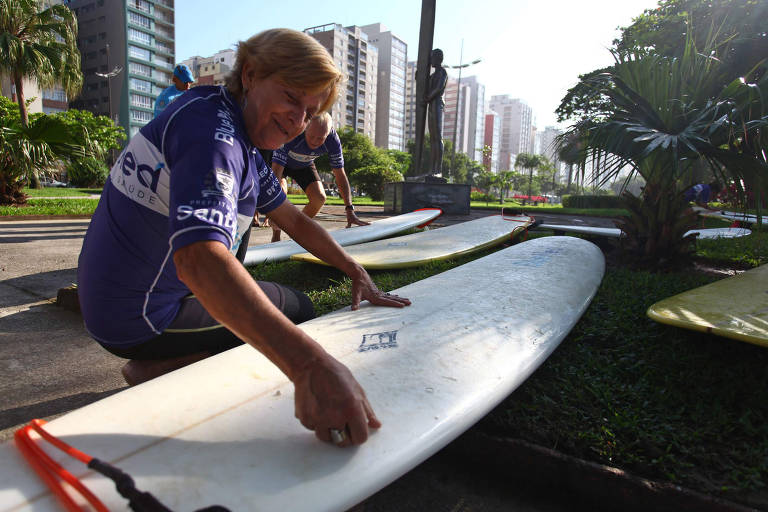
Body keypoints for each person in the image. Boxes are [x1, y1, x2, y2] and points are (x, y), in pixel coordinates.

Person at [77, 29, 411, 447]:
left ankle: (166, 362)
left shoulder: (230, 127)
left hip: (123, 300)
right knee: (297, 313)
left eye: (309, 112)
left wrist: (354, 268)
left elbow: (292, 218)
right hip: (139, 317)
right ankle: (157, 369)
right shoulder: (215, 137)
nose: (297, 119)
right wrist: (309, 366)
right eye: (291, 97)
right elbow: (199, 259)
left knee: (270, 289)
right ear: (250, 74)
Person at [268, 112, 369, 242]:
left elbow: (340, 175)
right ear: (305, 128)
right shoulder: (293, 131)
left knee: (320, 198)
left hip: (304, 164)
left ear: (328, 134)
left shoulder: (333, 140)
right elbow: (276, 173)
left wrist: (349, 209)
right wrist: (274, 208)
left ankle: (294, 230)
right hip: (282, 163)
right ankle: (276, 232)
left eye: (321, 138)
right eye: (312, 136)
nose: (315, 142)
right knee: (281, 192)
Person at [425, 49, 447, 176]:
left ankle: (438, 170)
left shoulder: (442, 72)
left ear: (438, 58)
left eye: (432, 58)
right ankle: (432, 169)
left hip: (437, 103)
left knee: (438, 137)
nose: (430, 61)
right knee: (432, 138)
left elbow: (438, 88)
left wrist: (428, 97)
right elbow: (426, 86)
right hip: (431, 105)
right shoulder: (432, 76)